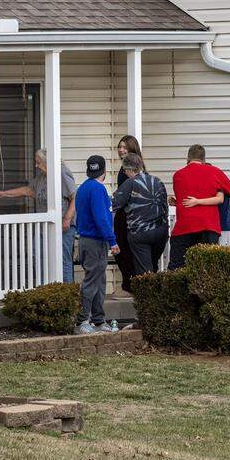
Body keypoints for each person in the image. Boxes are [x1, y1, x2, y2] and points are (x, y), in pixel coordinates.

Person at [0, 149, 78, 282]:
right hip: (44, 227)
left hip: (63, 227)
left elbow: (75, 197)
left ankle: (67, 292)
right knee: (37, 254)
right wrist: (4, 194)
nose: (36, 165)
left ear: (47, 161)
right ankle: (46, 288)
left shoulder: (61, 173)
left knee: (63, 259)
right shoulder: (42, 177)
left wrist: (67, 219)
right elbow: (28, 190)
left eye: (38, 162)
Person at [169, 144, 230, 270]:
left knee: (177, 267)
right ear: (204, 159)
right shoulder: (215, 172)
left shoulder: (178, 175)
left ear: (188, 158)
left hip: (184, 226)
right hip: (208, 226)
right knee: (206, 270)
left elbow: (184, 196)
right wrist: (219, 187)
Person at [74, 155, 120, 334]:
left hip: (86, 239)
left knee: (99, 281)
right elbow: (101, 218)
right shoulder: (99, 190)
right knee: (93, 281)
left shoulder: (83, 188)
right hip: (95, 241)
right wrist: (112, 240)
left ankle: (99, 321)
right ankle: (82, 321)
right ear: (105, 172)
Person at [111, 152, 169, 279]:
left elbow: (114, 204)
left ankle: (148, 297)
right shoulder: (157, 181)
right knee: (153, 266)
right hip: (161, 230)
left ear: (127, 169)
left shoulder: (130, 183)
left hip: (141, 232)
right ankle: (155, 293)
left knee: (144, 272)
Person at [111, 135, 143, 295]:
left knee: (122, 249)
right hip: (130, 215)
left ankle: (129, 284)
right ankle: (129, 283)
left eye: (125, 147)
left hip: (127, 215)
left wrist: (118, 196)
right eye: (120, 146)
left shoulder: (130, 169)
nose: (121, 150)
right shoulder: (128, 168)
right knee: (122, 249)